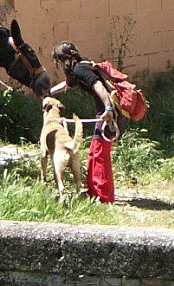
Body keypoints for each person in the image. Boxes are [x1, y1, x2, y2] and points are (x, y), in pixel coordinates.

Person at [50, 41, 123, 203]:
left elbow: (98, 86)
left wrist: (108, 109)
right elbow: (67, 85)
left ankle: (103, 197)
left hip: (108, 114)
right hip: (106, 113)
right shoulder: (81, 68)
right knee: (94, 152)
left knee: (99, 154)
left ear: (67, 59)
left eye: (61, 61)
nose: (61, 65)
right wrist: (49, 92)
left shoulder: (80, 69)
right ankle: (93, 191)